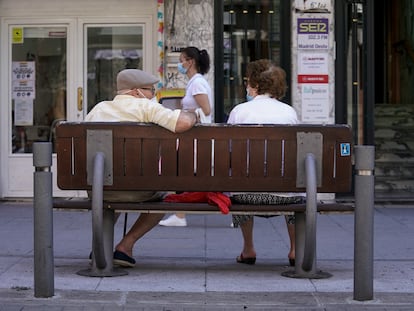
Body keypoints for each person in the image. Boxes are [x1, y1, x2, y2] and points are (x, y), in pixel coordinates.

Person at [85, 68, 198, 267]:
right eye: (151, 91)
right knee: (164, 197)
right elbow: (182, 123)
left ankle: (100, 247)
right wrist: (194, 116)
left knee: (109, 185)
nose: (154, 95)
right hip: (139, 190)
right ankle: (125, 246)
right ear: (137, 92)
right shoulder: (146, 108)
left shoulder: (98, 109)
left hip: (100, 189)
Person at [227, 59, 305, 267]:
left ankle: (248, 248)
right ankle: (295, 250)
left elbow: (230, 152)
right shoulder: (289, 112)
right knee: (297, 192)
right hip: (285, 194)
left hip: (246, 194)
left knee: (239, 180)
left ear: (255, 85)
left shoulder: (239, 111)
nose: (246, 86)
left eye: (247, 82)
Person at [159, 46, 213, 227]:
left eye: (182, 60)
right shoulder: (195, 82)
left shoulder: (197, 83)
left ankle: (180, 215)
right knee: (187, 171)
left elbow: (206, 110)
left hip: (195, 136)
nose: (179, 64)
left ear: (190, 62)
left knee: (182, 170)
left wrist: (187, 114)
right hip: (194, 136)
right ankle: (180, 214)